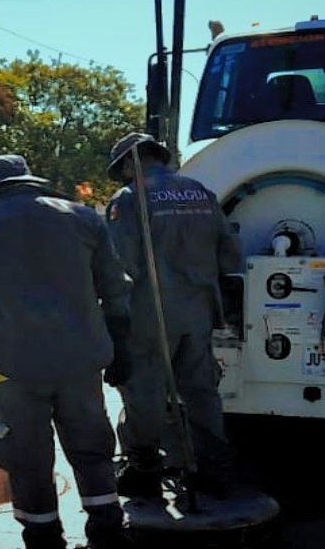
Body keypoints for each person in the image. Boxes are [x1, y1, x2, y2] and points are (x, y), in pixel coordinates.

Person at [0, 154, 134, 549]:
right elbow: (116, 290)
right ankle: (114, 547)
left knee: (26, 459)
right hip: (80, 364)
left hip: (13, 370)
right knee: (91, 451)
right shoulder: (84, 219)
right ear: (33, 183)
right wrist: (121, 347)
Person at [104, 133, 242, 499]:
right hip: (198, 310)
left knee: (144, 391)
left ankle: (144, 467)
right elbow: (229, 250)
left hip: (150, 313)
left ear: (130, 163)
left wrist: (112, 319)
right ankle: (215, 468)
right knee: (201, 391)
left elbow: (122, 265)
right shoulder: (200, 192)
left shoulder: (130, 199)